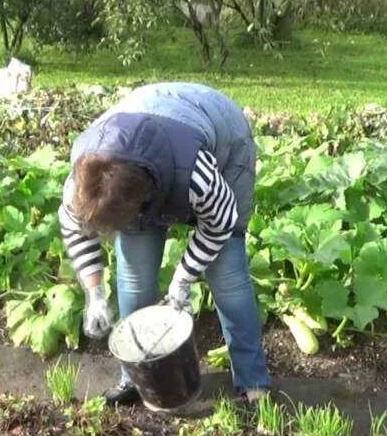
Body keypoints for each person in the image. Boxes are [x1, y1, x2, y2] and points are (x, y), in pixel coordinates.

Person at [57, 82, 271, 406]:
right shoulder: (83, 183)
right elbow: (76, 230)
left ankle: (252, 382)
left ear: (143, 200)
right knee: (133, 274)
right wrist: (95, 294)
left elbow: (220, 222)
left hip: (220, 133)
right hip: (141, 147)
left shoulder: (196, 172)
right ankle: (135, 376)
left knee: (226, 274)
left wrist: (183, 279)